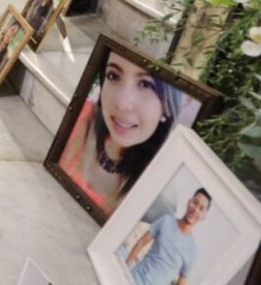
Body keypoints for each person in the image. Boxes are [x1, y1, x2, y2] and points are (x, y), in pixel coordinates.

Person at [57, 50, 186, 214]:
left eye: (146, 84)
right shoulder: (79, 117)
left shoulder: (158, 191)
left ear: (167, 106)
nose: (122, 103)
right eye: (113, 76)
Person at [121, 188, 210, 285]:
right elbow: (141, 242)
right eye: (195, 202)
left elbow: (181, 281)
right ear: (189, 202)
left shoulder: (192, 251)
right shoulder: (166, 221)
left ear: (203, 216)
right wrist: (124, 269)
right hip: (133, 278)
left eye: (201, 209)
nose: (195, 209)